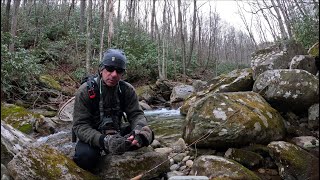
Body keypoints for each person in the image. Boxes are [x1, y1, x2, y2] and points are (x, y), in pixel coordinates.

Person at [72, 48, 154, 172]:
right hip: (95, 136)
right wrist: (103, 141)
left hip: (118, 133)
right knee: (85, 157)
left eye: (119, 70)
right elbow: (79, 126)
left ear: (122, 73)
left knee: (148, 135)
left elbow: (136, 114)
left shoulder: (127, 90)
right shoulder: (85, 91)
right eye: (110, 69)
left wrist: (138, 132)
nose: (114, 74)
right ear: (101, 69)